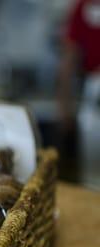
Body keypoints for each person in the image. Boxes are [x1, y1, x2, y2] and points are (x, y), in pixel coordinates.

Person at [58, 0, 100, 186]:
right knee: (92, 178)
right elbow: (69, 58)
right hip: (94, 93)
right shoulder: (82, 8)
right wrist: (65, 106)